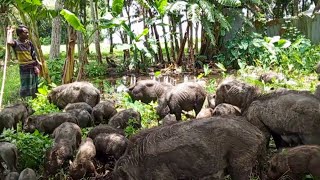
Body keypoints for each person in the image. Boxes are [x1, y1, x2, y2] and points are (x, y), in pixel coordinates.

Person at [7, 25, 40, 98]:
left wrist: (36, 66)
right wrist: (10, 32)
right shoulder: (16, 43)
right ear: (19, 34)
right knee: (25, 85)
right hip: (24, 67)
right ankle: (24, 101)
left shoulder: (29, 43)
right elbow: (9, 42)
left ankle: (35, 100)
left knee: (34, 85)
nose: (27, 34)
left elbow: (33, 55)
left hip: (32, 66)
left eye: (28, 32)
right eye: (25, 33)